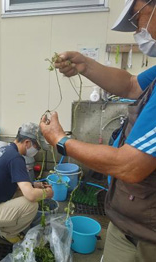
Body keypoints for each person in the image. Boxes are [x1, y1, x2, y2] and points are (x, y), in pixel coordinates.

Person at [40, 0, 156, 261]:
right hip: (129, 224)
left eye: (139, 17)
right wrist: (86, 66)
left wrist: (61, 141)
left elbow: (131, 166)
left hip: (148, 238)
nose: (139, 30)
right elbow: (130, 84)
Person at [0, 122, 53, 244]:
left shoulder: (6, 150)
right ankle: (8, 233)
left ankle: (4, 222)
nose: (37, 151)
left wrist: (34, 185)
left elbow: (12, 180)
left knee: (25, 192)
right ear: (27, 143)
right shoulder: (16, 159)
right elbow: (30, 195)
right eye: (38, 147)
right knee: (31, 205)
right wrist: (47, 193)